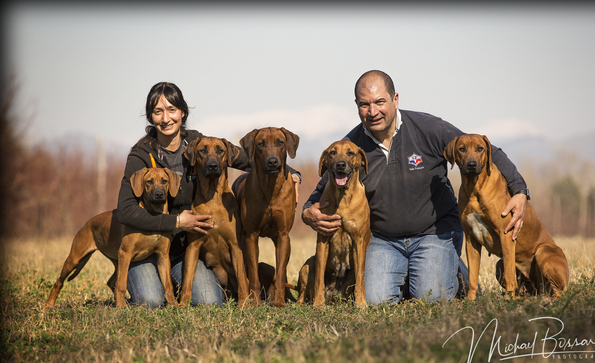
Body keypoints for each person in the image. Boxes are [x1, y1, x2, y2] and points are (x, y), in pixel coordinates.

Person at [301, 70, 529, 305]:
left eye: (380, 102)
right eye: (364, 105)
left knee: (433, 296)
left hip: (434, 233)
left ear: (395, 99)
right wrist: (309, 210)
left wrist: (520, 190)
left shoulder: (429, 129)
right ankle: (414, 274)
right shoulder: (351, 146)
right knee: (376, 300)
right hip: (384, 240)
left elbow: (487, 149)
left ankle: (455, 269)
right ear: (357, 106)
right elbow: (327, 180)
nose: (373, 112)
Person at [117, 82, 300, 308]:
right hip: (147, 248)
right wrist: (176, 221)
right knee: (150, 301)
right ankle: (152, 283)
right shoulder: (141, 156)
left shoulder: (200, 144)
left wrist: (292, 174)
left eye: (172, 110)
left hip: (184, 251)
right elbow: (125, 211)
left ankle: (175, 284)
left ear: (183, 112)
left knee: (209, 301)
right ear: (150, 117)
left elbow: (252, 159)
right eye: (158, 112)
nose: (166, 118)